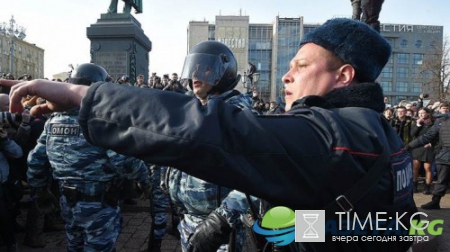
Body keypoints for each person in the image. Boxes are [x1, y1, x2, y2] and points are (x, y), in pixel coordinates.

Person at [2, 18, 417, 251]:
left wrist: (85, 97)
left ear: (344, 75)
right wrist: (287, 225)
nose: (287, 77)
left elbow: (213, 133)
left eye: (301, 66)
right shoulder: (378, 134)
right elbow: (376, 226)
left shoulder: (334, 135)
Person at [26, 63, 151, 252]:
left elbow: (36, 160)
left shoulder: (54, 121)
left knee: (74, 245)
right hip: (98, 203)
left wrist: (40, 191)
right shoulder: (100, 121)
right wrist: (145, 180)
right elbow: (124, 161)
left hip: (68, 201)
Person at [167, 40, 259, 252]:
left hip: (219, 231)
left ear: (224, 74)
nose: (196, 75)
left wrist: (221, 222)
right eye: (194, 68)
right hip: (188, 222)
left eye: (206, 69)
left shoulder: (238, 116)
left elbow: (255, 174)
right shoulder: (191, 110)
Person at [407, 102, 450, 210]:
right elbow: (428, 136)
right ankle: (435, 201)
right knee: (442, 180)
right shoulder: (441, 121)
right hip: (445, 154)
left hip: (444, 155)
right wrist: (410, 146)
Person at [410, 107, 435, 194]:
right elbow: (412, 134)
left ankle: (427, 187)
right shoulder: (416, 123)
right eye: (419, 113)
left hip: (428, 148)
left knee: (427, 168)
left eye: (423, 113)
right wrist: (418, 125)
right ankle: (414, 186)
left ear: (428, 114)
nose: (421, 114)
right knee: (415, 167)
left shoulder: (433, 124)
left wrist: (431, 144)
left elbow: (436, 135)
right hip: (417, 147)